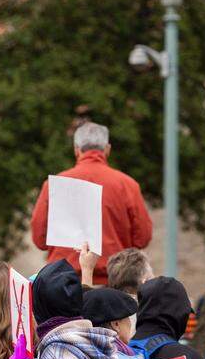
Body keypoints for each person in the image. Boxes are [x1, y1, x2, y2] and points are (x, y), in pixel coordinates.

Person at [30, 122, 152, 286]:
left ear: (76, 149)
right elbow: (142, 238)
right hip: (112, 283)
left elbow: (39, 239)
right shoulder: (128, 185)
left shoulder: (53, 186)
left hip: (62, 284)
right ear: (107, 149)